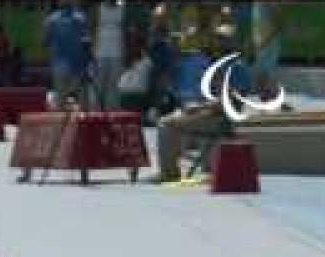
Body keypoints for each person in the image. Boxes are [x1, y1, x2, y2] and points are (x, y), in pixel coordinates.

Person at [151, 24, 252, 184]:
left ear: (233, 43)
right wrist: (196, 105)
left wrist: (199, 107)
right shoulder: (221, 65)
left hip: (222, 119)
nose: (220, 43)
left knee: (166, 124)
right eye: (219, 39)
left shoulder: (237, 68)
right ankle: (171, 169)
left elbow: (228, 102)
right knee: (172, 117)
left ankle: (169, 173)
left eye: (224, 40)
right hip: (211, 114)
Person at [43, 0, 91, 109]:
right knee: (74, 102)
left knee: (64, 101)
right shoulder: (80, 18)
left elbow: (45, 41)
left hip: (71, 66)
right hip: (71, 66)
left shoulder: (52, 19)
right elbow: (87, 42)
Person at [90, 0, 126, 109]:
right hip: (100, 54)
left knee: (114, 86)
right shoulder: (98, 9)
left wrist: (124, 52)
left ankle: (112, 112)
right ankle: (95, 112)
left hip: (117, 54)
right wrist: (93, 52)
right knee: (98, 85)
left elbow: (124, 32)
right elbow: (93, 29)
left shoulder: (122, 8)